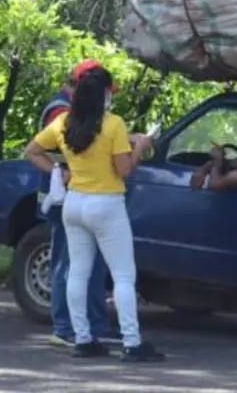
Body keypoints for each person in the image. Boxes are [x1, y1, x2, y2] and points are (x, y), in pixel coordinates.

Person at [24, 64, 165, 362]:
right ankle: (132, 342)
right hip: (106, 204)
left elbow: (32, 151)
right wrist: (140, 146)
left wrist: (59, 172)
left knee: (78, 271)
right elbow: (124, 169)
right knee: (124, 275)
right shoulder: (113, 124)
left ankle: (83, 338)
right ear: (103, 94)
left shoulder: (64, 122)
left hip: (74, 203)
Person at [40, 60, 116, 348]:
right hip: (64, 197)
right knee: (67, 263)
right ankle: (63, 326)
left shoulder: (80, 110)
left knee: (92, 265)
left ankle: (95, 325)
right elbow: (62, 148)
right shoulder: (59, 112)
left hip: (84, 194)